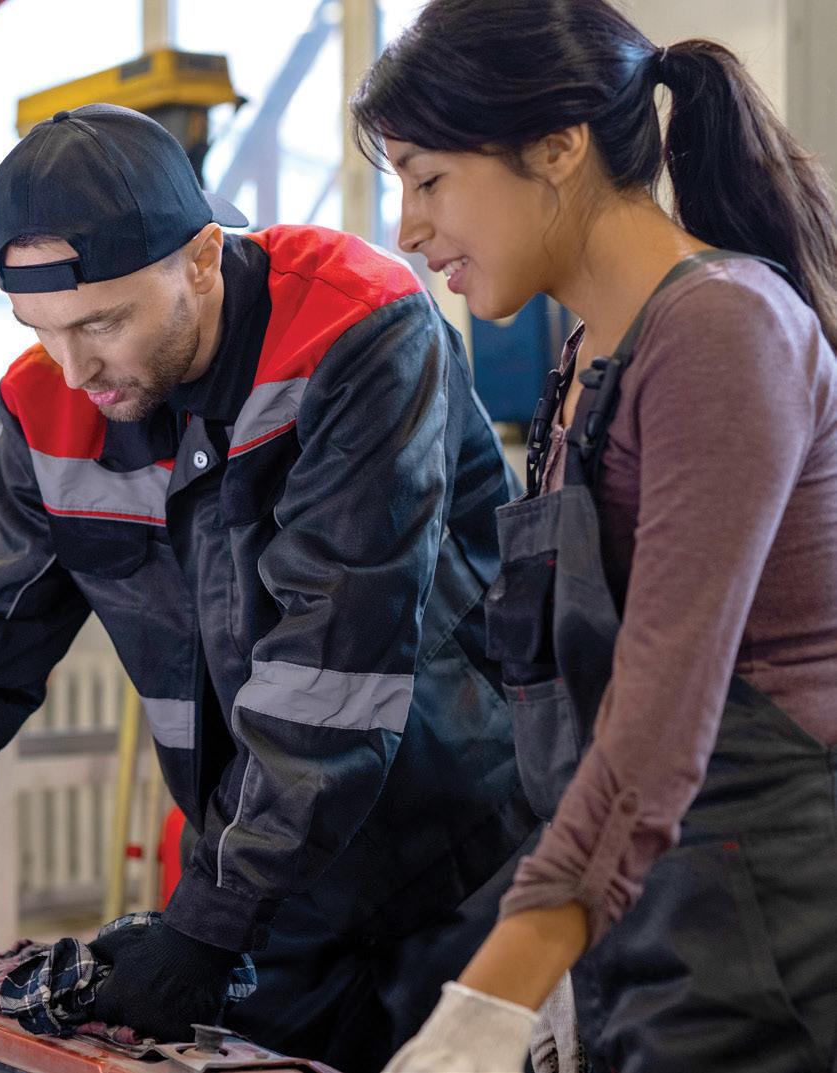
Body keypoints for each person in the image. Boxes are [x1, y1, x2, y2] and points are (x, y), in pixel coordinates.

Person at [0, 102, 536, 1071]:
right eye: (41, 329)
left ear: (201, 258)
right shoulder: (49, 398)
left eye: (102, 322)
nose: (75, 369)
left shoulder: (357, 331)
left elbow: (333, 658)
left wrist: (209, 921)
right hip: (272, 874)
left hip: (463, 858)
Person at [351, 1, 837, 1070]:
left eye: (429, 179)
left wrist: (492, 995)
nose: (406, 230)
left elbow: (657, 720)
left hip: (766, 942)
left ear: (558, 147)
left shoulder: (723, 330)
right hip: (642, 929)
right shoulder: (585, 360)